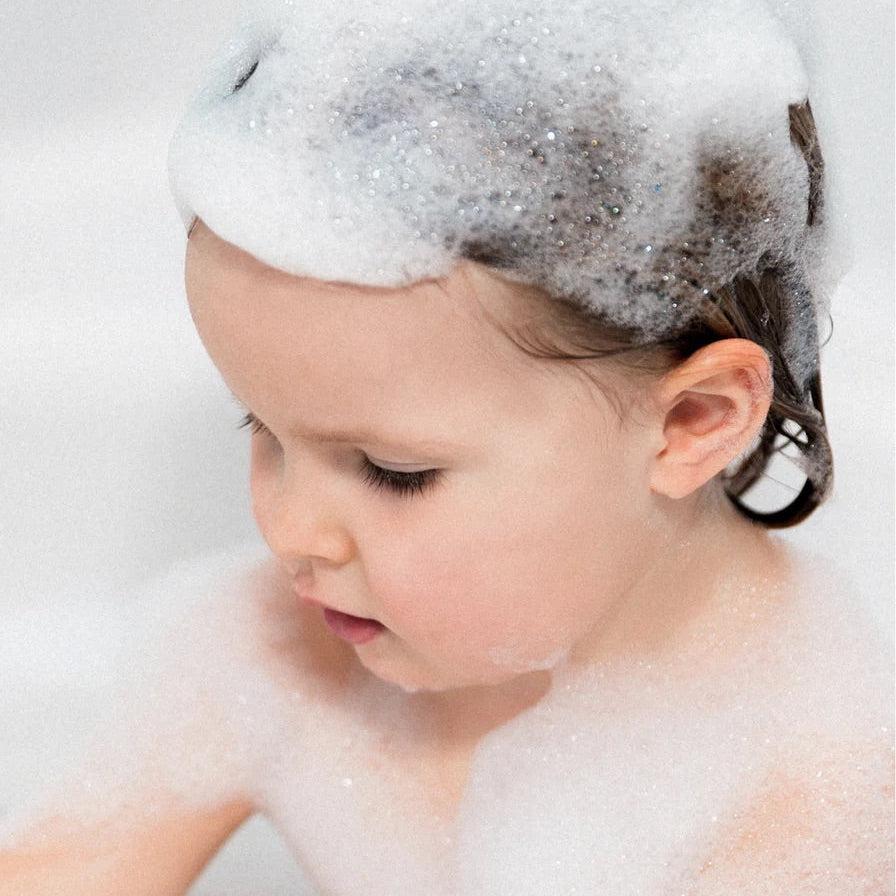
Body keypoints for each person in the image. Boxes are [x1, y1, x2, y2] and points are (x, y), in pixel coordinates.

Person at [1, 1, 891, 893]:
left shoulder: (816, 806)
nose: (290, 531)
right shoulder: (273, 647)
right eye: (262, 427)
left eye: (395, 473)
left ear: (692, 420)